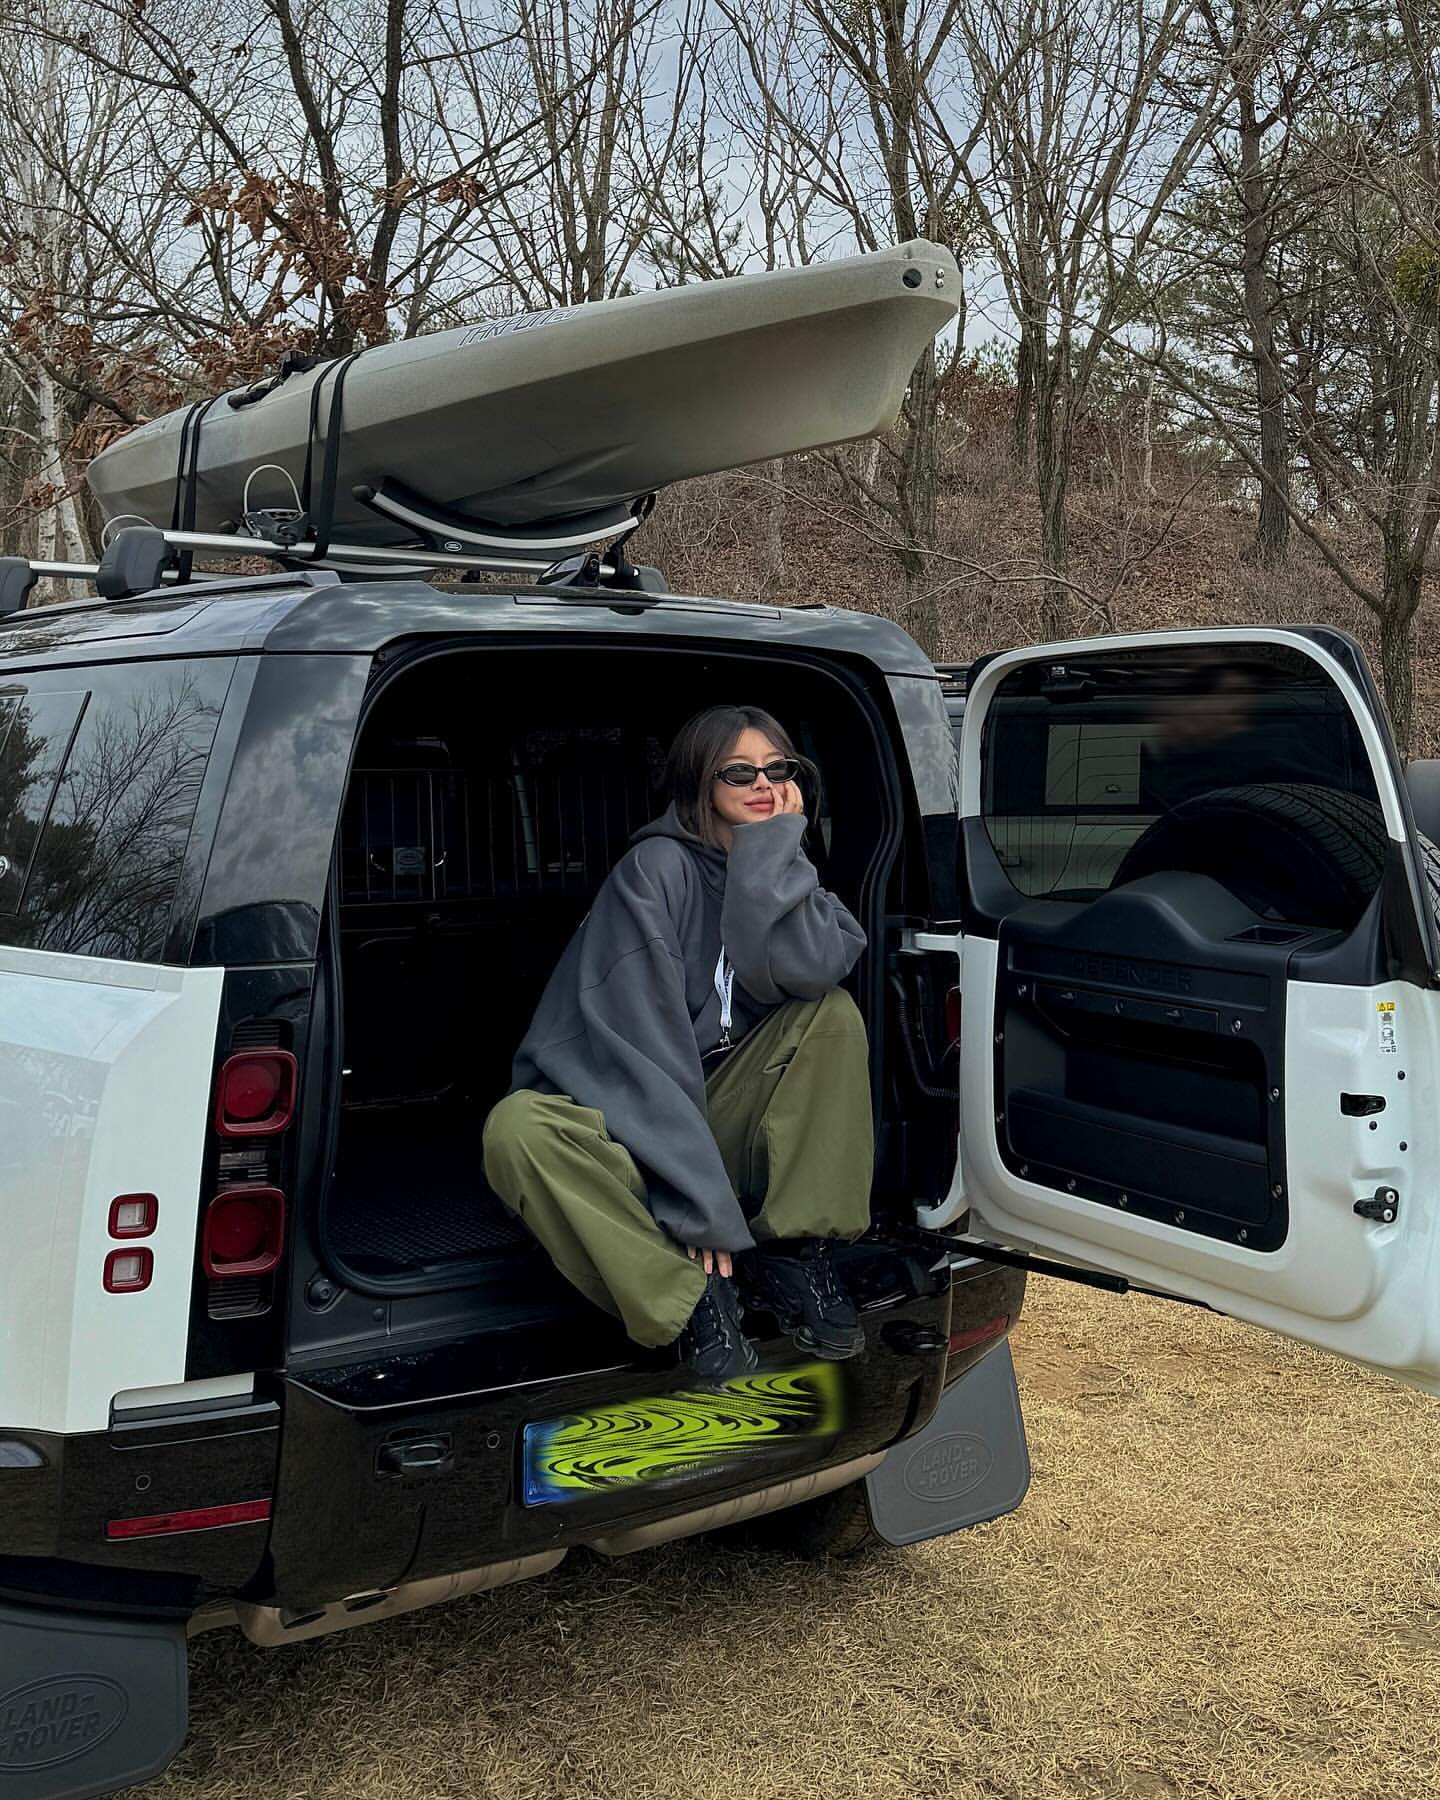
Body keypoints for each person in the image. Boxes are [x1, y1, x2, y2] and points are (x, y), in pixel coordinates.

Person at [482, 704, 874, 1385]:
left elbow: (814, 969)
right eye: (738, 772)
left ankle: (791, 1253)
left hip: (718, 1105)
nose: (762, 783)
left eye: (777, 769)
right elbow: (647, 1057)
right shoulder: (655, 869)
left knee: (832, 1013)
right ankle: (692, 1300)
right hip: (629, 1116)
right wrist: (700, 1210)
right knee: (515, 1130)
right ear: (700, 784)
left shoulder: (781, 860)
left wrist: (774, 851)